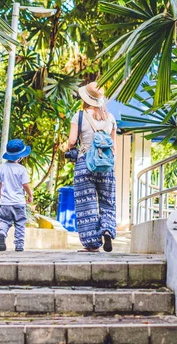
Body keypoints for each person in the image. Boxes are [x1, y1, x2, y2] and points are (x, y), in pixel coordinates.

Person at [66, 82, 117, 252]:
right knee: (108, 202)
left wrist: (68, 148)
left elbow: (72, 141)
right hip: (107, 166)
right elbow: (114, 147)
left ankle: (92, 244)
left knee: (86, 204)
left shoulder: (79, 116)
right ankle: (108, 230)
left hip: (85, 164)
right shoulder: (110, 118)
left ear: (85, 98)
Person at [0, 139, 33, 252]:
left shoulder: (2, 167)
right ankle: (19, 245)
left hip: (5, 203)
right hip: (19, 202)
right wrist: (30, 195)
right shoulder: (22, 169)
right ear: (20, 156)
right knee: (20, 223)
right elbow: (25, 185)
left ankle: (2, 232)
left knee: (5, 221)